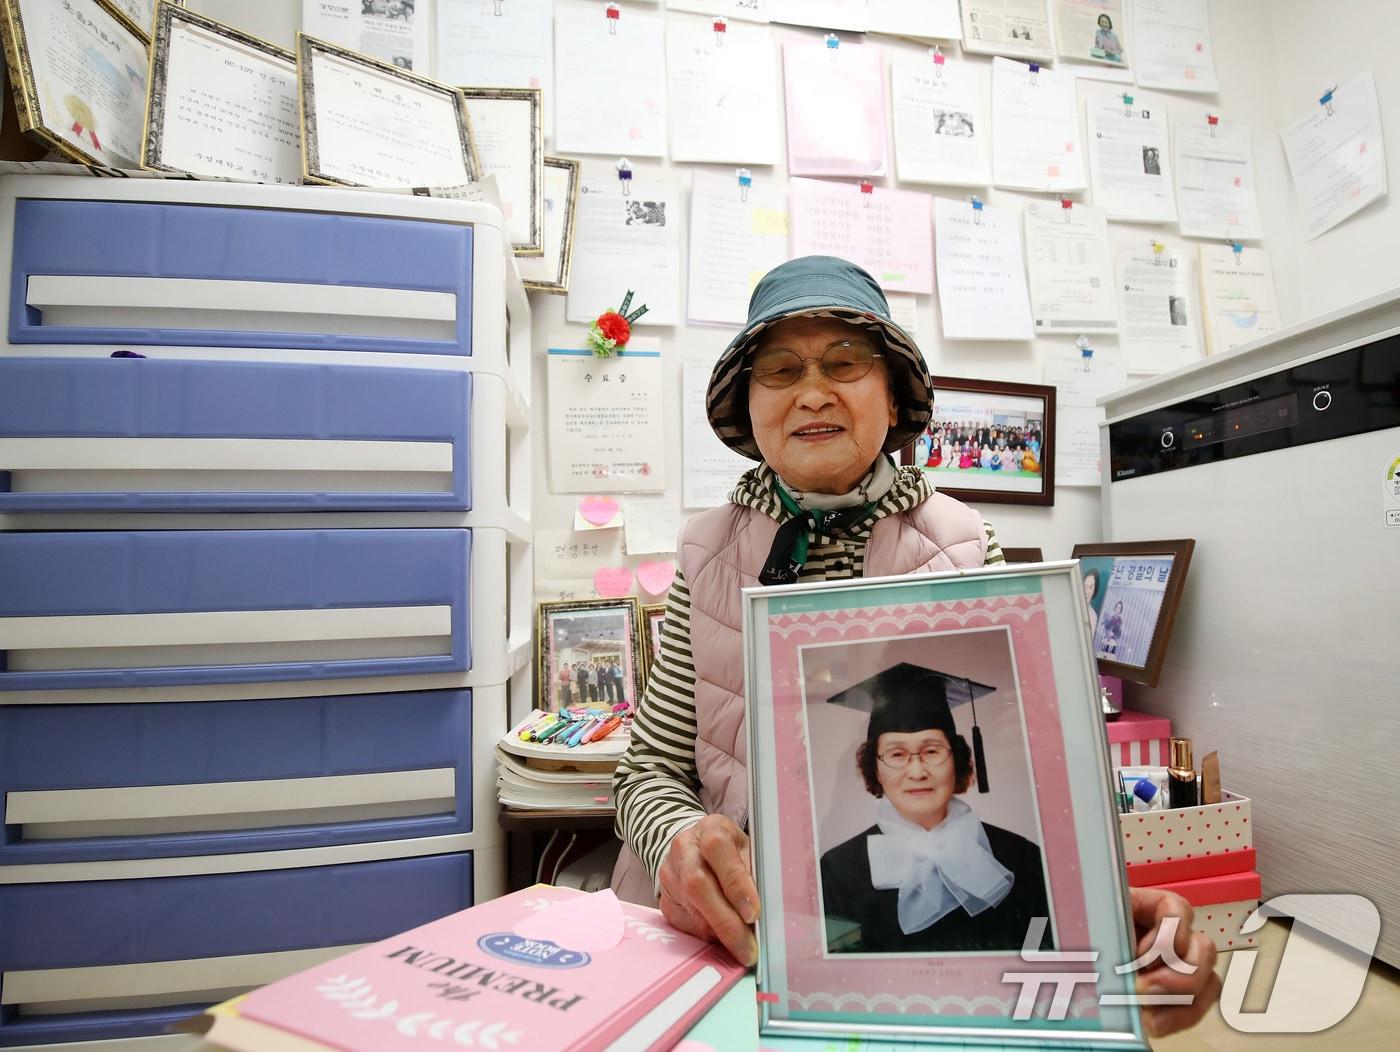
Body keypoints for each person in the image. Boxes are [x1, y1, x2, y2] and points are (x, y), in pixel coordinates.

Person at [609, 257, 1217, 1037]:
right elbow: (648, 770)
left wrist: (1091, 901)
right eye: (781, 369)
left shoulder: (967, 546)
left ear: (892, 391)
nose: (813, 390)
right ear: (749, 404)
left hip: (920, 951)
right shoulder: (704, 554)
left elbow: (1037, 784)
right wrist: (677, 843)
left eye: (845, 362)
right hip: (735, 943)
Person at [819, 664, 1050, 954]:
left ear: (957, 759)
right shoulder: (838, 871)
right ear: (875, 768)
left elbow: (1039, 946)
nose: (916, 771)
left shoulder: (1021, 858)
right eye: (897, 754)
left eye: (931, 751)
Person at [1083, 568, 1101, 639]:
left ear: (1094, 590)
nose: (1086, 591)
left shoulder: (1093, 616)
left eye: (1091, 587)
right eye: (1085, 586)